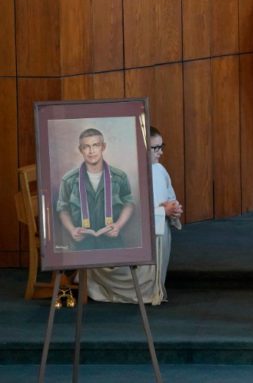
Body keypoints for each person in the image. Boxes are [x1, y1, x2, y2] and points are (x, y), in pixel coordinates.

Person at [88, 126, 183, 305]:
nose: (160, 152)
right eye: (155, 148)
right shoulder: (127, 175)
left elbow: (169, 196)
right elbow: (130, 214)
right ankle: (100, 282)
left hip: (158, 233)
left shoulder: (159, 169)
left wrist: (173, 208)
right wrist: (163, 211)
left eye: (162, 146)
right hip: (135, 237)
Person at [57, 128, 135, 251]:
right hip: (81, 245)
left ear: (103, 147)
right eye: (86, 147)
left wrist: (118, 225)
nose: (91, 151)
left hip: (112, 243)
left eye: (95, 145)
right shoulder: (68, 180)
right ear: (80, 150)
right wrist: (72, 230)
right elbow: (63, 209)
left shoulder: (120, 177)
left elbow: (129, 203)